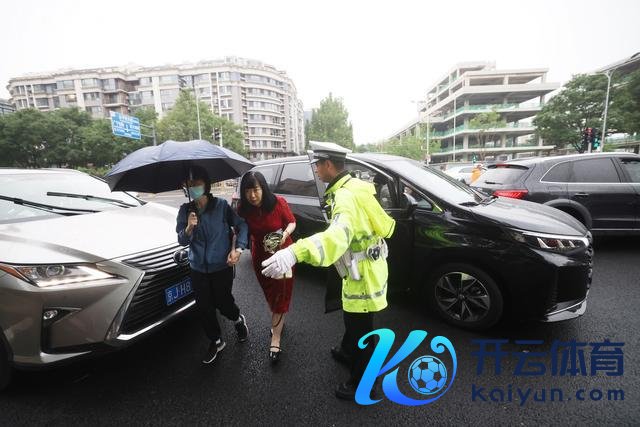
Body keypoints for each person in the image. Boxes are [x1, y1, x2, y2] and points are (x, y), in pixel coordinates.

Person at [261, 142, 396, 401]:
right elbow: (387, 227)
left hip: (362, 277)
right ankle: (347, 352)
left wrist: (294, 252)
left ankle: (364, 385)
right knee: (353, 322)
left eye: (317, 165)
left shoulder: (345, 196)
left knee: (363, 333)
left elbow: (337, 236)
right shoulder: (356, 187)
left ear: (329, 165)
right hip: (366, 268)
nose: (316, 170)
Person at [176, 166, 250, 364]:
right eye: (189, 185)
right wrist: (189, 227)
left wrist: (239, 249)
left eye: (197, 184)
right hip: (198, 269)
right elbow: (181, 240)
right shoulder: (185, 210)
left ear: (206, 185)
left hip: (221, 267)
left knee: (223, 303)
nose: (193, 188)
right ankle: (216, 341)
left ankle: (237, 319)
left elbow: (242, 225)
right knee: (204, 308)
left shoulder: (221, 206)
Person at [237, 171, 297, 363]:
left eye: (256, 190)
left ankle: (276, 338)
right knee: (270, 294)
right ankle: (278, 318)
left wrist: (283, 236)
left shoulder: (278, 202)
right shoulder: (243, 209)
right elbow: (238, 230)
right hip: (260, 257)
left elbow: (292, 222)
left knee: (280, 293)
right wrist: (235, 248)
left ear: (263, 188)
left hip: (282, 255)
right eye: (248, 191)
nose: (252, 195)